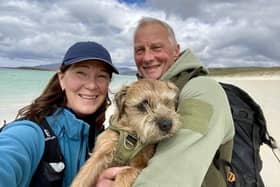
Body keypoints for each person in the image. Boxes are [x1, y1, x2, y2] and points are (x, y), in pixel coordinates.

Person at [98, 17, 235, 187]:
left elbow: (170, 178)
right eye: (140, 50)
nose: (147, 57)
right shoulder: (139, 94)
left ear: (176, 51)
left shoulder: (203, 90)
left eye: (156, 47)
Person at [0, 41, 119, 187]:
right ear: (61, 78)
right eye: (81, 73)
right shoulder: (29, 133)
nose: (92, 85)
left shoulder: (99, 140)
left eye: (101, 76)